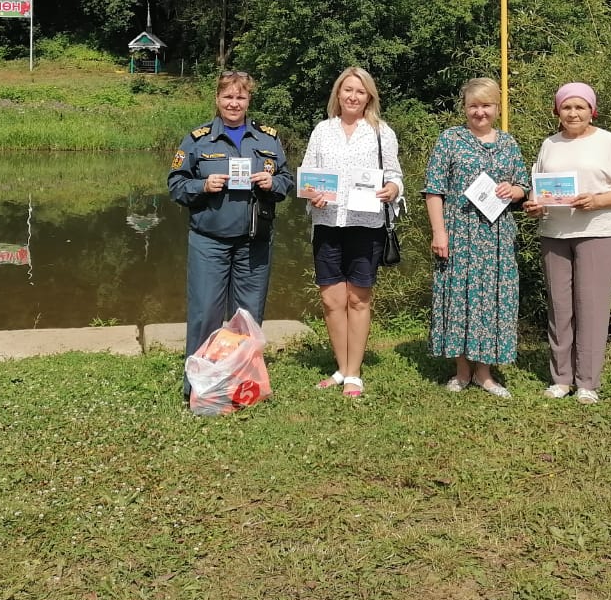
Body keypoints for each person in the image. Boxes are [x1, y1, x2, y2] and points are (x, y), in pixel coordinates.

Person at [168, 71, 294, 398]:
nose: (234, 103)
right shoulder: (197, 140)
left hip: (254, 242)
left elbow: (288, 181)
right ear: (218, 99)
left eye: (240, 97)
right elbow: (176, 185)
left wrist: (273, 184)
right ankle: (198, 389)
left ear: (249, 100)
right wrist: (202, 186)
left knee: (248, 318)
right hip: (209, 242)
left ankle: (242, 386)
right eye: (228, 97)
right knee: (205, 314)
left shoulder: (268, 139)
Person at [525, 82, 611, 405]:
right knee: (559, 308)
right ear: (557, 111)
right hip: (554, 233)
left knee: (591, 307)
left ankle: (587, 381)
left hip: (598, 231)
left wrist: (598, 201)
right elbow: (539, 191)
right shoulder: (549, 144)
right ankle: (561, 378)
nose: (573, 113)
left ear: (592, 111)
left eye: (580, 107)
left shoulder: (608, 142)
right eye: (566, 107)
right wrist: (535, 207)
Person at [423, 78, 529, 399]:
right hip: (459, 234)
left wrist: (515, 191)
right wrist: (439, 232)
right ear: (465, 108)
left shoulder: (509, 144)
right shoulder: (450, 140)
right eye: (473, 105)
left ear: (497, 108)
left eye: (486, 105)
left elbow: (524, 186)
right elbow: (434, 189)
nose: (479, 112)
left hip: (496, 238)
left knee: (493, 300)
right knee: (458, 298)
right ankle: (462, 370)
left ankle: (484, 372)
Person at [301, 67, 403, 398]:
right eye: (347, 90)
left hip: (366, 224)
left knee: (358, 299)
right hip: (327, 221)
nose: (353, 96)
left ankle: (354, 373)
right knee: (332, 301)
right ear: (338, 94)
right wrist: (312, 194)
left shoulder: (380, 132)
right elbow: (308, 177)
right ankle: (341, 368)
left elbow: (395, 176)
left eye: (360, 91)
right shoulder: (321, 131)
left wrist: (392, 189)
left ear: (369, 96)